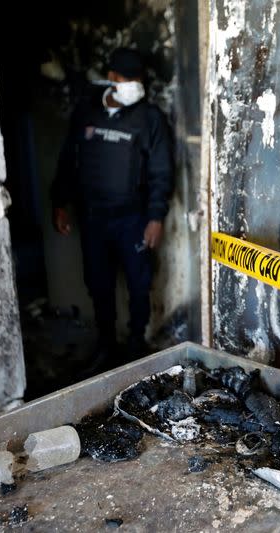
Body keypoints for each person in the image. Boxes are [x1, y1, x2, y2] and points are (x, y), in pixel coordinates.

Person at [50, 48, 173, 373]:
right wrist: (59, 203)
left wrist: (155, 217)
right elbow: (68, 161)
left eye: (139, 79)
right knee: (99, 283)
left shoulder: (150, 119)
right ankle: (107, 345)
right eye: (128, 79)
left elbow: (162, 171)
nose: (136, 85)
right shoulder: (87, 113)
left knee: (138, 283)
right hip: (93, 218)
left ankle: (135, 347)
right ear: (113, 79)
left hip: (133, 219)